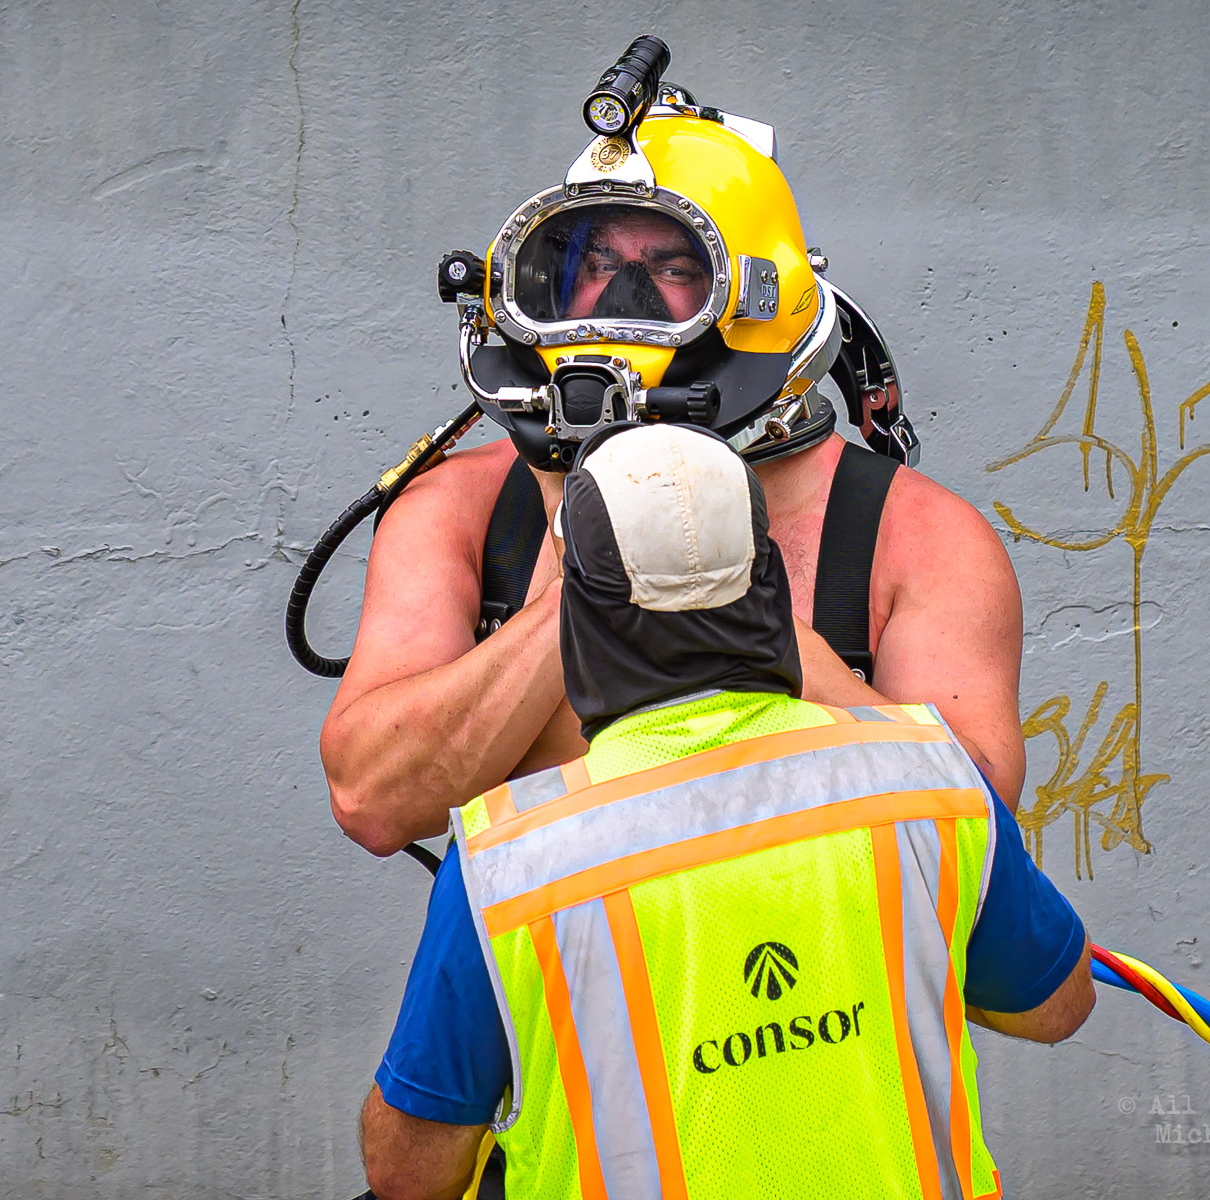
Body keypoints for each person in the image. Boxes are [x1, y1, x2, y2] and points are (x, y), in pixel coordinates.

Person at [357, 424, 1093, 1200]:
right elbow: (1057, 1006)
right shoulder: (931, 785)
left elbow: (408, 1171)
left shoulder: (507, 864)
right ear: (770, 583)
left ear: (574, 617)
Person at [320, 75, 1027, 859]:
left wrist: (740, 612)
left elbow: (975, 832)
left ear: (760, 298)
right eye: (595, 262)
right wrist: (586, 586)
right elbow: (371, 801)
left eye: (674, 269)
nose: (623, 296)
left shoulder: (919, 538)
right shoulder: (463, 512)